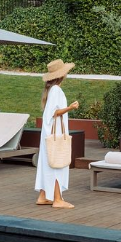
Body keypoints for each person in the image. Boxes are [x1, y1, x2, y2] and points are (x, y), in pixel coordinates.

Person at [36, 59, 79, 209]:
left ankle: (43, 196)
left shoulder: (51, 90)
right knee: (57, 163)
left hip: (48, 133)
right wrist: (71, 107)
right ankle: (57, 199)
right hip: (56, 134)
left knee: (48, 162)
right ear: (62, 75)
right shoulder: (56, 90)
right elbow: (55, 112)